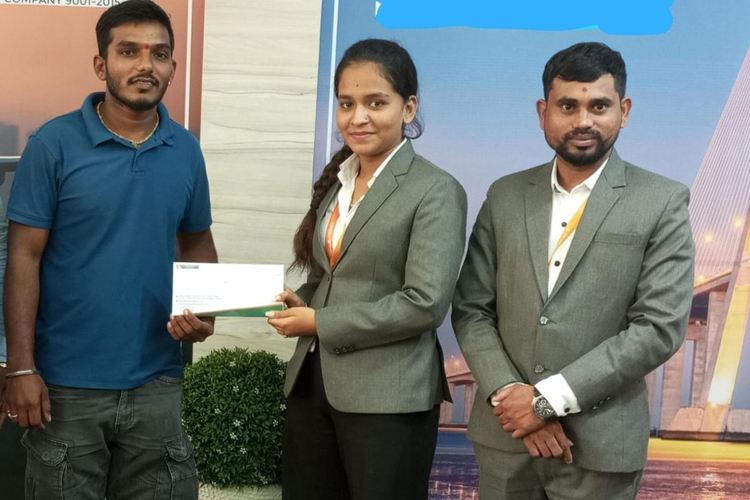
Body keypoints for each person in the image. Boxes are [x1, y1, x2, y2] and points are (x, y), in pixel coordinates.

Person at [452, 42, 695, 500]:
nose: (583, 120)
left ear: (624, 111)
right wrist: (512, 397)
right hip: (506, 443)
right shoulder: (505, 196)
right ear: (543, 112)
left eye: (599, 106)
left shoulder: (662, 201)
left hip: (599, 449)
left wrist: (544, 402)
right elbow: (471, 309)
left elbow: (658, 328)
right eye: (568, 106)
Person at [0, 1, 217, 498]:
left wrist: (205, 312)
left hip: (158, 380)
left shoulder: (186, 150)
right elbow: (24, 257)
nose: (146, 65)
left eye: (159, 54)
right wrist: (21, 366)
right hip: (65, 386)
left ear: (173, 67)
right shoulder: (52, 145)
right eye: (129, 52)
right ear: (101, 65)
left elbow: (196, 238)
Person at [266, 38, 467, 500]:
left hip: (388, 398)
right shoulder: (340, 181)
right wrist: (303, 301)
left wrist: (318, 321)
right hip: (312, 385)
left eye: (376, 103)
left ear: (408, 108)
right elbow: (330, 276)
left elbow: (425, 303)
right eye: (346, 104)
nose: (358, 117)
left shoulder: (436, 190)